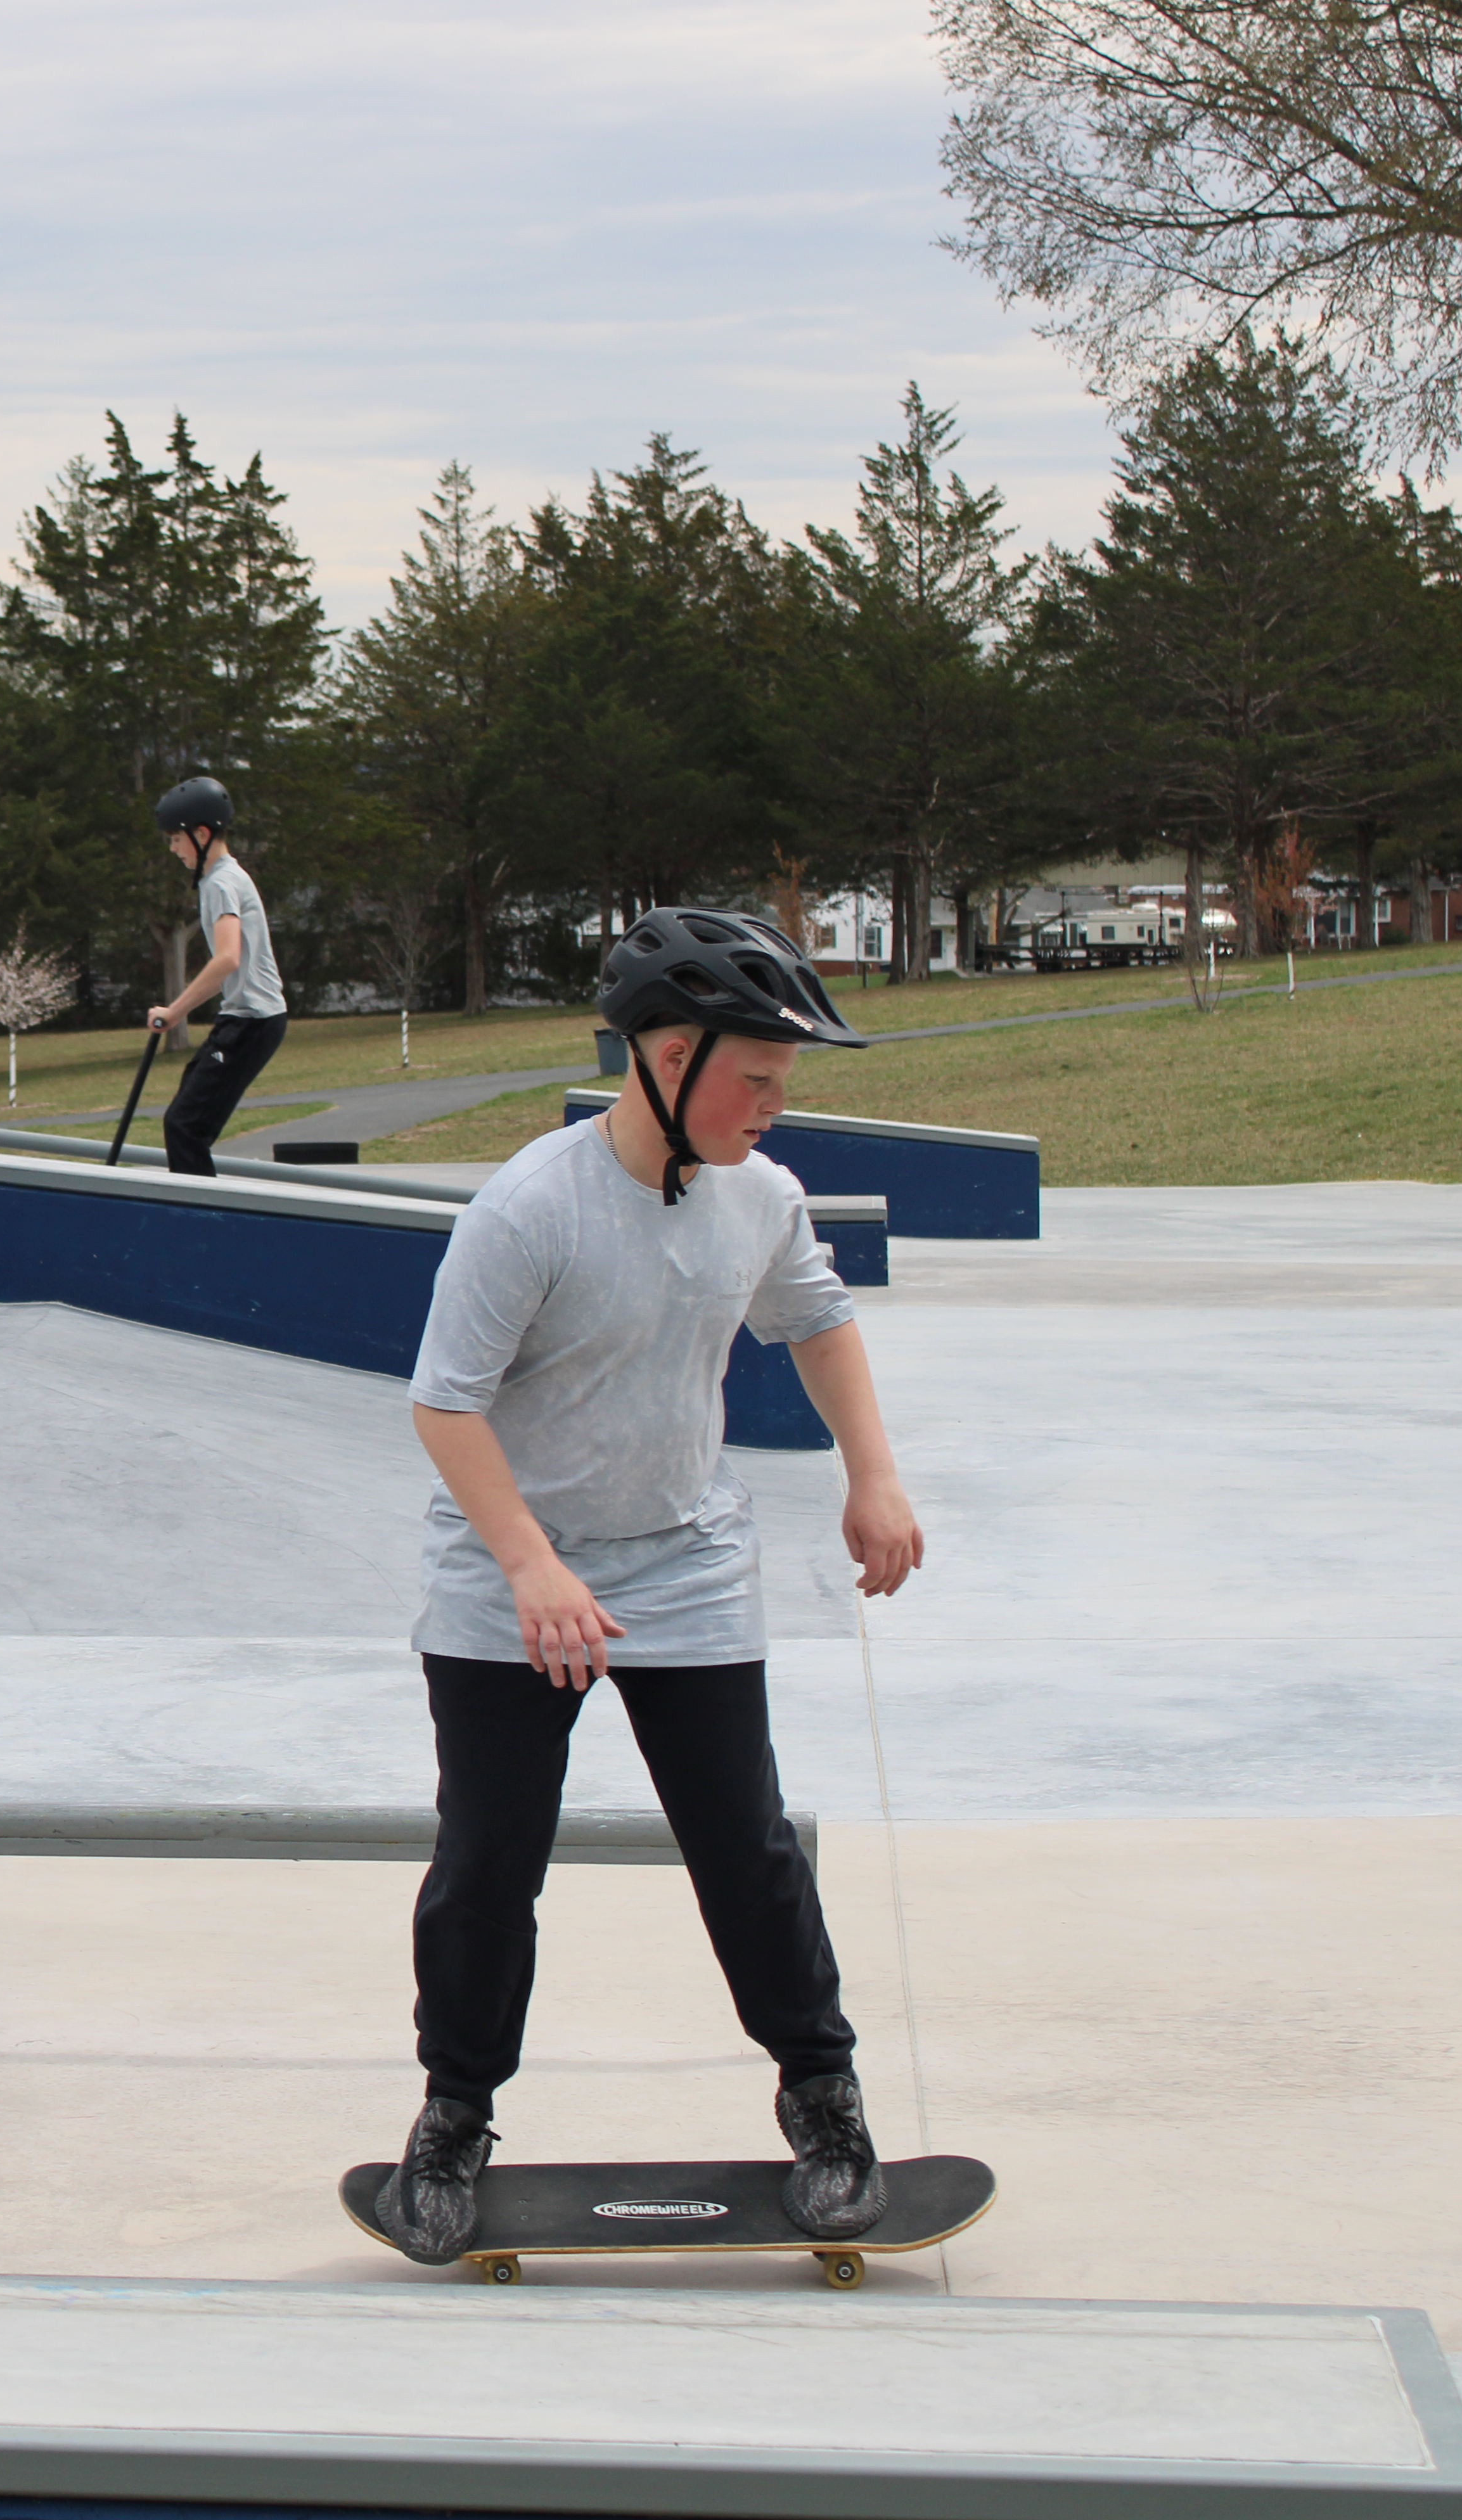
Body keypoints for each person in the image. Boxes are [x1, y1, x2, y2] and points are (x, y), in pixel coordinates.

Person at [350, 907, 925, 2264]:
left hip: (685, 1560)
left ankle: (825, 2098)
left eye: (784, 1086)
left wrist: (875, 1475)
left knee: (746, 1846)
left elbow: (821, 1325)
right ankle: (453, 2113)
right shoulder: (529, 1207)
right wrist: (532, 1561)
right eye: (758, 1081)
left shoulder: (759, 1196)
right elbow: (445, 1407)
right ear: (668, 1055)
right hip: (511, 1579)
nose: (777, 1111)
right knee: (489, 1859)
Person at [142, 776, 288, 1176]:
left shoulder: (221, 883)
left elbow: (227, 958)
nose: (173, 849)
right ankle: (200, 1216)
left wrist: (175, 1012)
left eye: (175, 839)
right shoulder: (220, 879)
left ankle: (201, 1224)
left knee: (184, 1127)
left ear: (201, 834)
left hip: (253, 1021)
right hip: (245, 1018)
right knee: (184, 1121)